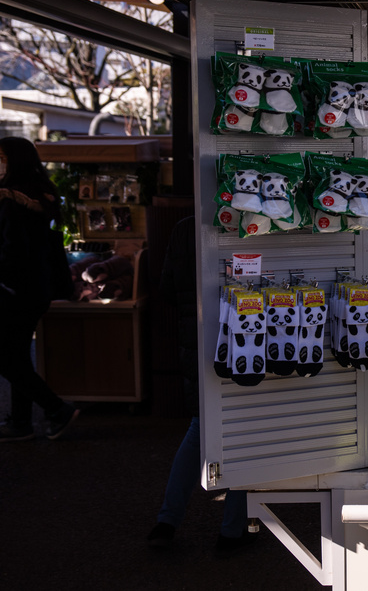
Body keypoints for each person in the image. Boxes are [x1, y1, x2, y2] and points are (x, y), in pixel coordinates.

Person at [146, 216, 255, 556]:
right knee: (246, 435)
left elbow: (166, 288)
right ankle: (232, 531)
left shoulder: (182, 228)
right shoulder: (250, 223)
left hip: (197, 343)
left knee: (199, 431)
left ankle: (166, 522)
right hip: (243, 342)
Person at [0, 136, 78, 441]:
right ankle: (20, 422)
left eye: (2, 157)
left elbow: (12, 251)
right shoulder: (41, 195)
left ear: (14, 161)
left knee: (6, 358)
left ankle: (56, 408)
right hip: (37, 289)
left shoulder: (11, 201)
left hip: (13, 290)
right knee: (17, 355)